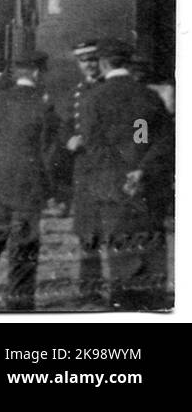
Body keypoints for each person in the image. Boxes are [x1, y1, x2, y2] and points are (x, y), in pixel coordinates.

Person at [75, 38, 173, 310]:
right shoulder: (149, 96)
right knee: (151, 251)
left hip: (113, 190)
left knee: (123, 258)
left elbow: (95, 147)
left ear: (104, 63)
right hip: (147, 187)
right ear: (128, 63)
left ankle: (125, 308)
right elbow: (165, 141)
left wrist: (121, 176)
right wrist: (140, 170)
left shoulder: (94, 98)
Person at [0, 53, 55, 310]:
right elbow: (47, 153)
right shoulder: (43, 106)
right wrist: (51, 189)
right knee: (24, 245)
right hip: (29, 186)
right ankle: (19, 298)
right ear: (37, 74)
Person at [62, 39, 106, 302]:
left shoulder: (110, 89)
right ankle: (90, 289)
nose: (89, 65)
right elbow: (66, 124)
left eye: (93, 59)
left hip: (106, 168)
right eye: (84, 61)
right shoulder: (77, 91)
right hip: (84, 170)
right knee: (88, 232)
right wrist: (68, 139)